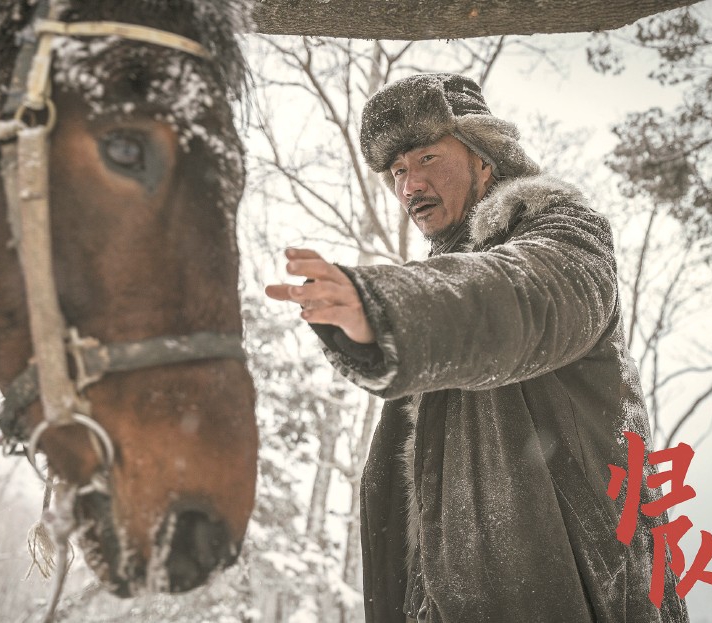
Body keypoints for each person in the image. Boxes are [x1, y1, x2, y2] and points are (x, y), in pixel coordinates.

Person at [265, 73, 690, 622]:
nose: (409, 186)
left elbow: (522, 297)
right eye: (397, 171)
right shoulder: (440, 287)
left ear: (484, 160)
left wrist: (387, 305)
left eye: (426, 158)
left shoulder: (566, 234)